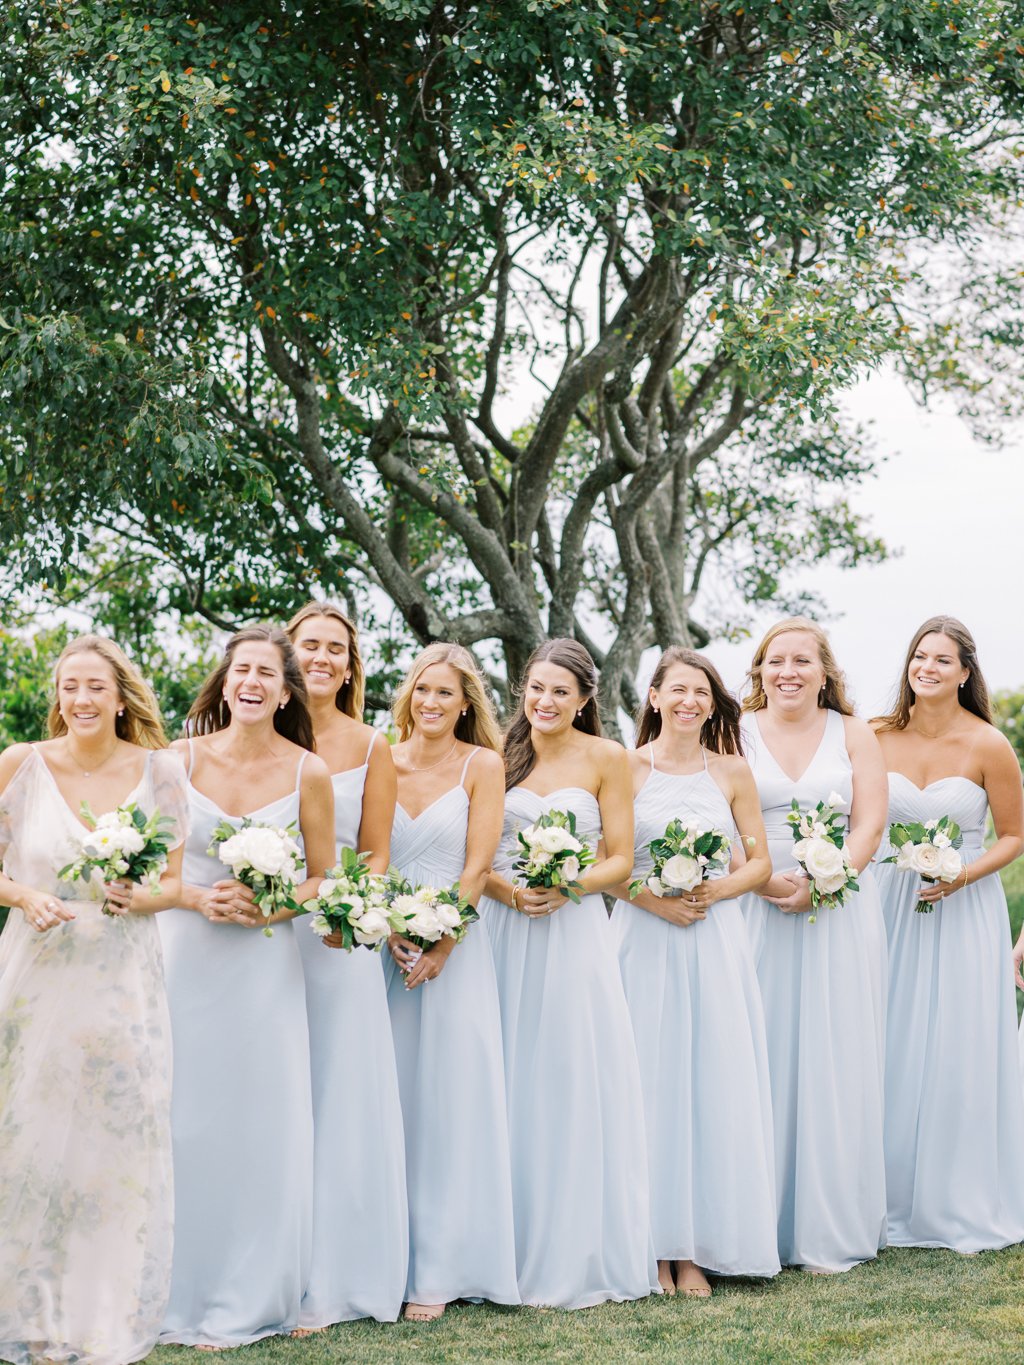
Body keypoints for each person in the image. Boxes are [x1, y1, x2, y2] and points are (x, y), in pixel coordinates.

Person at [0, 635, 188, 1365]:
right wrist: (22, 892)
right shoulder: (21, 763)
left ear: (120, 696)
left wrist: (138, 895)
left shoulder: (159, 773)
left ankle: (101, 1311)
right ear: (59, 694)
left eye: (94, 687)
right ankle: (34, 1311)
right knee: (32, 1143)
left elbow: (172, 885)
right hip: (36, 980)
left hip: (122, 982)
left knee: (114, 1144)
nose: (80, 699)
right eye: (69, 685)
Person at [158, 625, 335, 1347]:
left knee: (261, 1122)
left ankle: (251, 1291)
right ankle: (171, 1287)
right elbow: (158, 872)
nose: (252, 681)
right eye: (242, 670)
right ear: (226, 683)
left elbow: (323, 874)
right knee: (182, 1117)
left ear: (287, 690)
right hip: (186, 955)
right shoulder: (176, 758)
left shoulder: (308, 772)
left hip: (265, 965)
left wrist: (276, 903)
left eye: (267, 671)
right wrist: (201, 898)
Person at [481, 638, 659, 1309]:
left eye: (559, 690)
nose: (544, 701)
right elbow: (477, 853)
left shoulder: (608, 757)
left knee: (571, 1072)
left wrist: (567, 884)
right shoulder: (498, 754)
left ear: (585, 697)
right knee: (505, 1073)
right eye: (535, 688)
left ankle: (573, 1242)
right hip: (504, 928)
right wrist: (509, 892)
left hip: (575, 932)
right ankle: (501, 1242)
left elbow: (620, 857)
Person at [610, 647, 779, 1297]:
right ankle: (651, 1244)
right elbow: (606, 859)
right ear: (653, 697)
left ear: (713, 704)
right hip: (643, 938)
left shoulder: (733, 771)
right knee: (647, 1080)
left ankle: (696, 1248)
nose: (689, 701)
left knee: (709, 1079)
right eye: (677, 690)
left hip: (714, 942)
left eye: (701, 693)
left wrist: (717, 890)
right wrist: (654, 899)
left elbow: (759, 862)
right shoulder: (626, 767)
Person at [740, 617, 888, 1272]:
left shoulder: (855, 732)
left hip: (838, 911)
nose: (788, 672)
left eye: (802, 660)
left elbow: (870, 823)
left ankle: (829, 1221)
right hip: (754, 902)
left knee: (833, 1052)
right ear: (760, 670)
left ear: (824, 670)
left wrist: (829, 881)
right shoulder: (734, 731)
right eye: (777, 661)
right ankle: (752, 1219)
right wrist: (770, 879)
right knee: (758, 1048)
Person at [873, 616, 1024, 1250]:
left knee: (956, 1039)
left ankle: (954, 1195)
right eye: (919, 656)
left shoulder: (989, 744)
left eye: (942, 660)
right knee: (886, 1033)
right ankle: (878, 1193)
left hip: (964, 907)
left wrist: (962, 873)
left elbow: (1015, 836)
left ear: (966, 672)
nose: (927, 667)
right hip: (885, 900)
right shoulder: (875, 736)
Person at [384, 643, 519, 1321]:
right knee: (388, 1100)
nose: (431, 703)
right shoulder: (383, 757)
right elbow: (367, 853)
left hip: (455, 951)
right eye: (422, 689)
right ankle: (380, 1255)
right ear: (408, 694)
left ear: (466, 702)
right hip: (382, 948)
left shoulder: (482, 764)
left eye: (445, 693)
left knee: (447, 1100)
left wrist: (442, 941)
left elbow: (477, 864)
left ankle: (439, 1267)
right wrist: (386, 928)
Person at [284, 601, 408, 1327]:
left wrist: (346, 907)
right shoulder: (255, 729)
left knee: (339, 1092)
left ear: (352, 663)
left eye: (337, 648)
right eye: (310, 645)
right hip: (262, 939)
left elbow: (378, 851)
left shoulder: (371, 745)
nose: (323, 658)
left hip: (338, 937)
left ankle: (340, 1272)